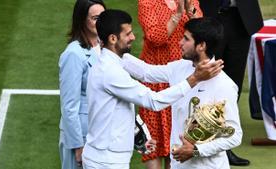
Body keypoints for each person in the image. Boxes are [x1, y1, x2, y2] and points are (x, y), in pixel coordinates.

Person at [82, 9, 223, 169]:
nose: (133, 37)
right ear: (113, 39)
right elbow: (153, 101)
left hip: (107, 156)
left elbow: (146, 72)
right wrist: (194, 79)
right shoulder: (110, 72)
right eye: (128, 34)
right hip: (106, 161)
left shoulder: (115, 58)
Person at [122, 17, 242, 169]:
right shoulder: (180, 68)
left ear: (201, 46)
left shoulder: (225, 85)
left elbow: (234, 135)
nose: (180, 43)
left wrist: (197, 150)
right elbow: (146, 72)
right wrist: (109, 50)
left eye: (186, 39)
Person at [137, 0, 202, 168]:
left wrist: (191, 12)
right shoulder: (147, 2)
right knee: (153, 139)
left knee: (179, 135)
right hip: (155, 77)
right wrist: (178, 15)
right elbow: (156, 38)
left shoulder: (191, 1)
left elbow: (202, 31)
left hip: (182, 77)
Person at [198, 0, 264, 166]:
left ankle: (223, 147)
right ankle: (201, 142)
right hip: (210, 15)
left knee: (233, 85)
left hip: (241, 18)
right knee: (208, 81)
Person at [58, 0, 105, 169]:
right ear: (82, 21)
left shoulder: (107, 48)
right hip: (82, 137)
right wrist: (78, 146)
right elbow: (69, 106)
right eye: (94, 18)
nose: (100, 23)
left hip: (101, 133)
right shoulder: (73, 54)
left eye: (103, 17)